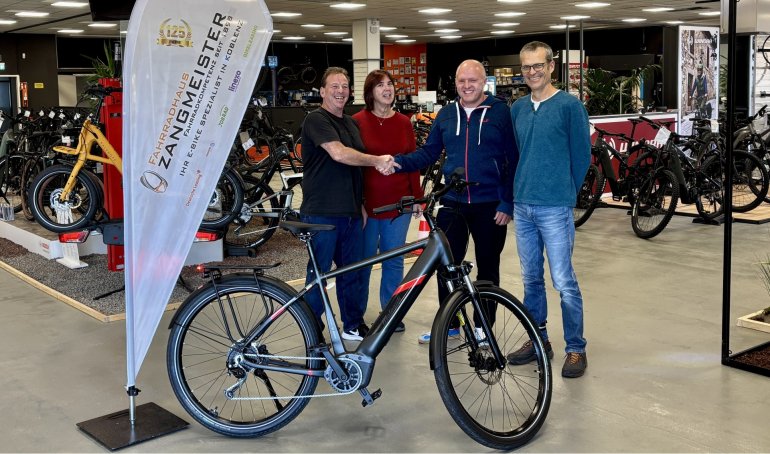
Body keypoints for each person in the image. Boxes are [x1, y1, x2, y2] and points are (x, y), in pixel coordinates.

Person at [390, 59, 517, 344]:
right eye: (462, 81)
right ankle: (451, 324)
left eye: (472, 80)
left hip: (490, 205)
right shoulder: (447, 114)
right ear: (456, 83)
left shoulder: (500, 113)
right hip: (453, 202)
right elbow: (428, 153)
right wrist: (396, 162)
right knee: (447, 267)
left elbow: (512, 160)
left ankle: (483, 326)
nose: (467, 86)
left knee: (487, 268)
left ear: (484, 82)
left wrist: (507, 202)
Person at [506, 41, 591, 378]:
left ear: (551, 66)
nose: (532, 72)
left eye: (538, 65)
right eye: (526, 67)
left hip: (554, 205)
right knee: (530, 278)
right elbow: (516, 154)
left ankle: (576, 348)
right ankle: (538, 339)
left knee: (563, 280)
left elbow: (581, 155)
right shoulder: (518, 108)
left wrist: (564, 191)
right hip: (523, 204)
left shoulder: (570, 106)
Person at [299, 66, 394, 342]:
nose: (341, 91)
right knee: (318, 275)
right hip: (322, 213)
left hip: (351, 212)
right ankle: (311, 328)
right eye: (335, 86)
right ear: (322, 91)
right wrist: (377, 160)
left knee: (351, 272)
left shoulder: (351, 123)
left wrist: (361, 203)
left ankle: (352, 324)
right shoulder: (316, 120)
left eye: (345, 86)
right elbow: (339, 154)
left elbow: (354, 168)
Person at [352, 70, 424, 333]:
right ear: (370, 92)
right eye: (380, 85)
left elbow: (413, 162)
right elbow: (353, 166)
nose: (388, 89)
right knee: (364, 260)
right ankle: (355, 317)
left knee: (394, 260)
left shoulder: (404, 122)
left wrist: (416, 197)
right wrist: (356, 202)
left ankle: (391, 313)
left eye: (390, 84)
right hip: (368, 205)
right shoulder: (357, 121)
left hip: (399, 204)